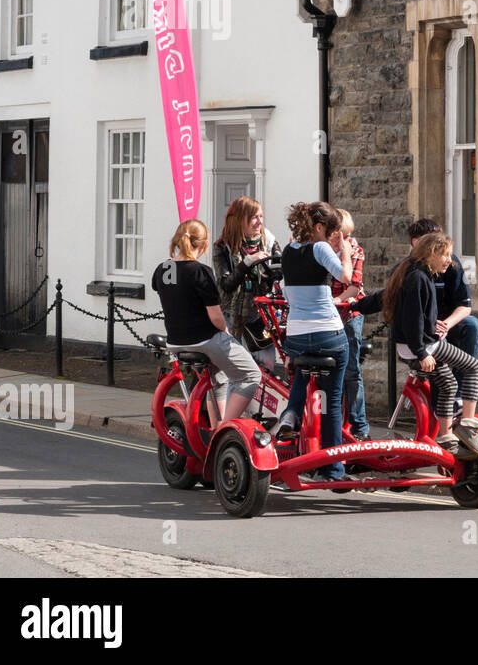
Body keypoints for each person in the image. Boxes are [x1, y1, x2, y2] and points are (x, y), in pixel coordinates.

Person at [355, 232, 478, 457]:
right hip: (423, 345)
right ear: (431, 253)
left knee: (448, 385)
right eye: (445, 255)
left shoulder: (409, 272)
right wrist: (422, 353)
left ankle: (446, 439)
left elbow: (383, 298)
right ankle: (468, 426)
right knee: (474, 367)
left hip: (414, 345)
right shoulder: (419, 279)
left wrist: (356, 305)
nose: (449, 260)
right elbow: (412, 319)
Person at [151, 219, 262, 426]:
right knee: (251, 375)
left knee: (218, 379)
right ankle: (226, 430)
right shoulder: (200, 271)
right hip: (204, 340)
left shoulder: (162, 269)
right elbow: (216, 317)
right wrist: (227, 333)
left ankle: (215, 429)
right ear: (202, 245)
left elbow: (169, 295)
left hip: (176, 341)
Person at [275, 201, 355, 481]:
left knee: (302, 371)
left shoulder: (287, 251)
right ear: (319, 228)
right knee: (333, 401)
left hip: (296, 336)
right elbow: (344, 277)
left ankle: (291, 415)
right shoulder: (320, 248)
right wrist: (345, 253)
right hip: (327, 335)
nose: (335, 236)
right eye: (332, 231)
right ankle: (333, 469)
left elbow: (286, 294)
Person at [405, 217, 478, 417]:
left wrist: (447, 324)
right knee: (440, 357)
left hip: (448, 322)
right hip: (425, 331)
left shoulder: (451, 264)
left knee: (473, 326)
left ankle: (459, 398)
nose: (447, 257)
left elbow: (465, 306)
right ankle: (442, 411)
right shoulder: (411, 272)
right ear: (417, 243)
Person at [211, 196, 282, 373]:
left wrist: (276, 266)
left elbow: (279, 272)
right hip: (232, 314)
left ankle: (261, 400)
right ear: (240, 219)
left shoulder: (269, 240)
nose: (259, 222)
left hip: (260, 313)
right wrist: (248, 262)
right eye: (254, 217)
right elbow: (226, 284)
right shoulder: (223, 246)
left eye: (261, 216)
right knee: (235, 369)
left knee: (267, 364)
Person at [329, 208, 372, 441]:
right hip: (328, 314)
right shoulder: (323, 250)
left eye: (346, 236)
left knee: (352, 370)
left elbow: (354, 286)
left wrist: (337, 300)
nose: (343, 241)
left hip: (350, 312)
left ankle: (360, 427)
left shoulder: (354, 249)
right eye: (339, 236)